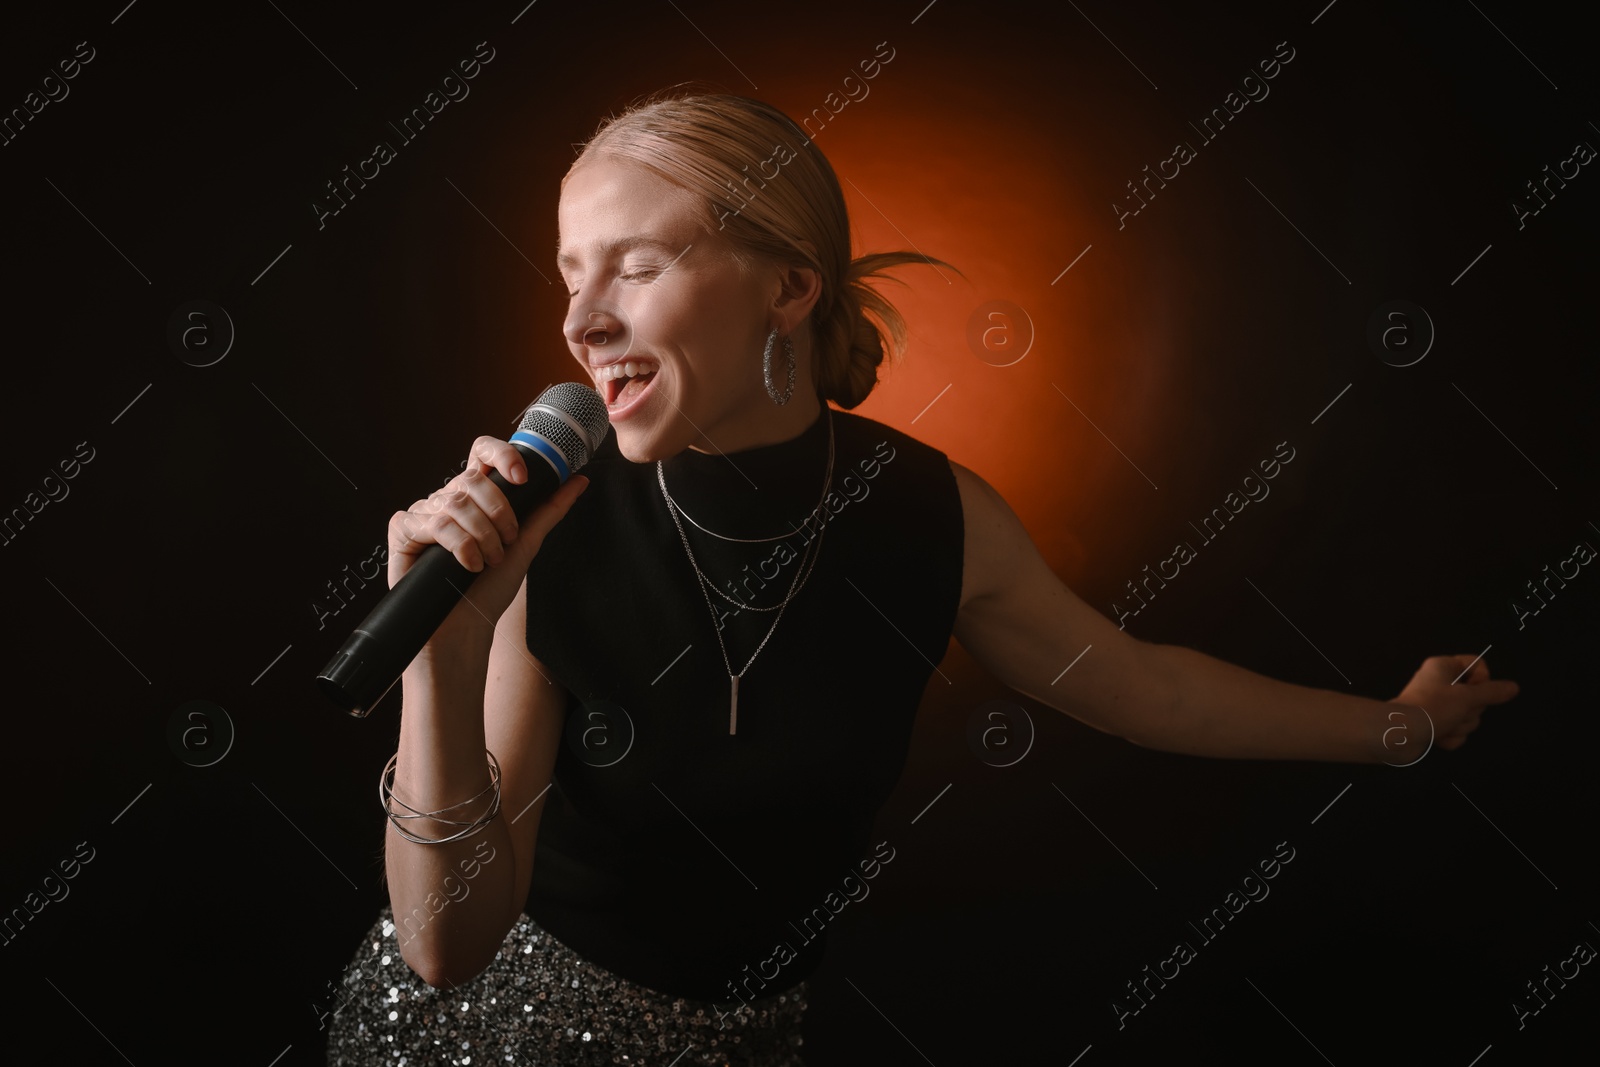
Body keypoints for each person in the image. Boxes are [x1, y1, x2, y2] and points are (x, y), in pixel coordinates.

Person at [324, 90, 1518, 1065]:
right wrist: (445, 646)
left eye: (634, 268)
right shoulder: (554, 530)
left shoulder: (925, 514)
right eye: (571, 274)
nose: (582, 320)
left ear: (789, 287)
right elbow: (445, 945)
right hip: (495, 1039)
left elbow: (1151, 688)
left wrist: (1396, 730)